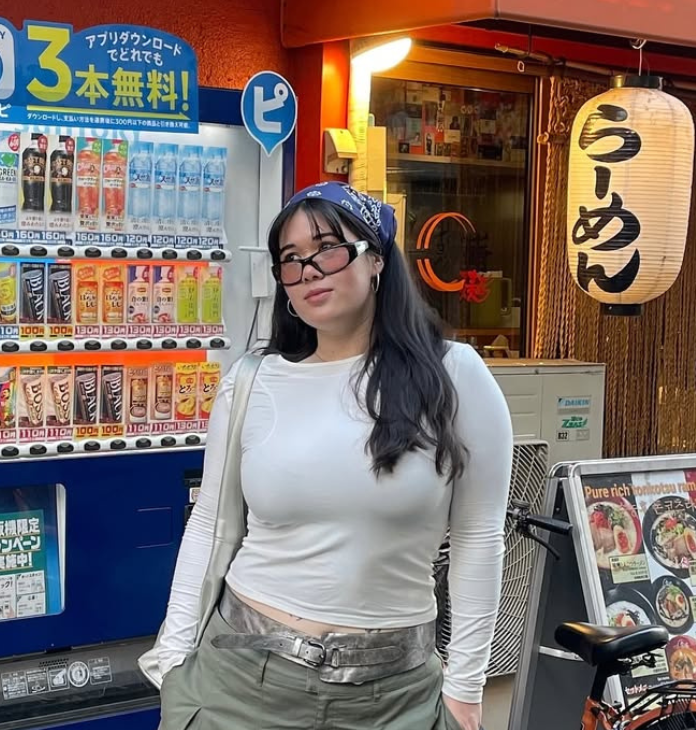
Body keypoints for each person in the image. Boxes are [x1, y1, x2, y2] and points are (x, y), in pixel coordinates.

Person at [153, 182, 513, 730]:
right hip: (240, 681)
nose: (310, 270)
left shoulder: (455, 376)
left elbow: (478, 536)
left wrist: (466, 686)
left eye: (327, 248)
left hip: (394, 695)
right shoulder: (252, 382)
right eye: (291, 260)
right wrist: (174, 659)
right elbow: (210, 524)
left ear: (376, 260)